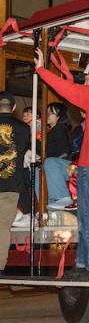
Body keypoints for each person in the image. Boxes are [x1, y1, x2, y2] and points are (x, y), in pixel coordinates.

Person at [35, 51, 89, 281]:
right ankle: (82, 264)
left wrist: (42, 69)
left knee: (88, 219)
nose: (85, 82)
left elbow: (68, 91)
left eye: (86, 78)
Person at [0, 92, 32, 233]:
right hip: (11, 183)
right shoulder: (24, 128)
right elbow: (24, 149)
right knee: (3, 228)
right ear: (13, 107)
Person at [41, 102, 73, 209]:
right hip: (59, 165)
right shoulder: (52, 132)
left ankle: (61, 198)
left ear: (59, 116)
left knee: (50, 162)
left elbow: (50, 152)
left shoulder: (60, 129)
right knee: (36, 171)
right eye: (46, 112)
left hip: (68, 165)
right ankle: (42, 205)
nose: (47, 115)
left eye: (50, 113)